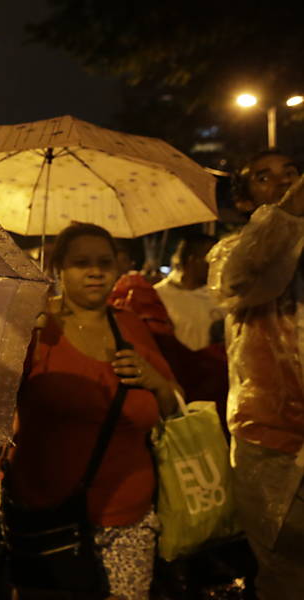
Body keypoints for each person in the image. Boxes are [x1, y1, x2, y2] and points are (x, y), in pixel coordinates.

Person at [7, 222, 178, 600]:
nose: (95, 271)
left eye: (105, 261)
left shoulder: (130, 325)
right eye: (81, 262)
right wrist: (17, 331)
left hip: (128, 516)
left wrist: (156, 382)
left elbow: (173, 410)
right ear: (58, 268)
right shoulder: (36, 329)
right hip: (48, 515)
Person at [207, 150, 304, 599]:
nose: (283, 183)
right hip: (270, 444)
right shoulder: (232, 253)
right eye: (265, 178)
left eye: (292, 174)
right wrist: (288, 214)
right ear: (245, 202)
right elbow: (247, 273)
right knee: (285, 575)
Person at [153, 233, 224, 351]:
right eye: (212, 260)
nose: (217, 266)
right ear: (192, 260)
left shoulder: (220, 297)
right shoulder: (158, 296)